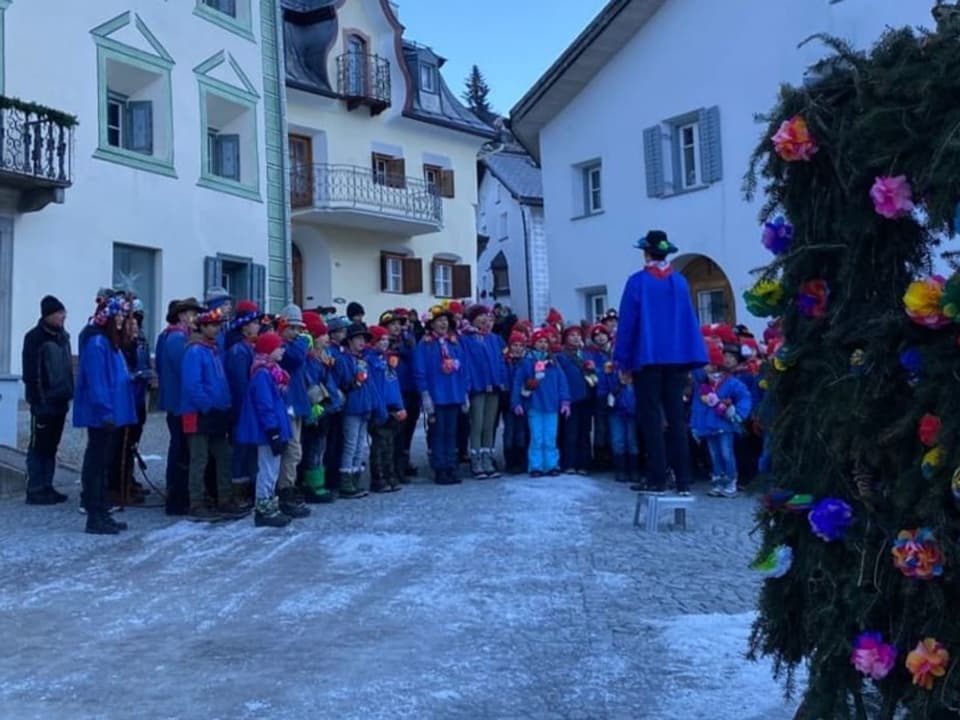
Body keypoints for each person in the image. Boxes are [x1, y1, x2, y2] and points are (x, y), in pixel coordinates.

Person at [614, 230, 707, 494]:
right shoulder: (680, 282)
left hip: (648, 357)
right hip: (676, 358)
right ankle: (684, 480)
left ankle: (657, 477)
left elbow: (628, 324)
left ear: (646, 253)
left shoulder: (637, 282)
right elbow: (688, 320)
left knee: (651, 419)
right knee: (677, 419)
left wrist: (623, 360)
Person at [73, 296, 136, 534]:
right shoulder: (98, 343)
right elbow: (97, 382)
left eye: (123, 315)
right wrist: (106, 412)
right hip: (102, 414)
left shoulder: (109, 343)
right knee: (96, 463)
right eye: (118, 315)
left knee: (102, 462)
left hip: (110, 412)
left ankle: (101, 510)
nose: (121, 320)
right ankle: (94, 514)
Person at [181, 307, 242, 520]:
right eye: (213, 325)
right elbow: (192, 384)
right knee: (199, 458)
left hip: (215, 412)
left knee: (224, 456)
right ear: (202, 326)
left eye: (218, 325)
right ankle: (196, 502)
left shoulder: (212, 349)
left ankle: (224, 498)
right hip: (199, 413)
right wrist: (208, 406)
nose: (217, 329)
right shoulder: (195, 350)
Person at [234, 332, 292, 527]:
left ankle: (270, 505)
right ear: (269, 349)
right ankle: (264, 508)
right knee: (267, 469)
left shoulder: (272, 372)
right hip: (267, 431)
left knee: (272, 468)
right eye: (279, 347)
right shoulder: (262, 375)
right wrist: (273, 430)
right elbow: (265, 405)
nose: (283, 350)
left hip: (272, 428)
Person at [21, 295, 74, 505]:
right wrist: (37, 399)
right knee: (38, 446)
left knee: (52, 446)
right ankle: (35, 488)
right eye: (60, 312)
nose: (63, 316)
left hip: (60, 401)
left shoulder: (64, 337)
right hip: (43, 402)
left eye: (63, 312)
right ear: (49, 315)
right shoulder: (35, 338)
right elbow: (31, 372)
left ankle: (47, 486)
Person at [156, 297, 203, 515]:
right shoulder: (176, 338)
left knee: (182, 448)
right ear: (182, 315)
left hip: (178, 401)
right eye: (192, 313)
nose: (196, 317)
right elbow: (186, 368)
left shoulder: (174, 336)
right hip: (178, 403)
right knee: (180, 450)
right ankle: (176, 498)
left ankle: (178, 495)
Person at [415, 306, 469, 485]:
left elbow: (463, 369)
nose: (443, 323)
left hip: (453, 394)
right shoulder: (425, 345)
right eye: (439, 320)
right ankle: (440, 468)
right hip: (436, 396)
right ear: (431, 324)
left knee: (451, 433)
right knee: (438, 432)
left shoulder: (454, 342)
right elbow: (420, 370)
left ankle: (451, 466)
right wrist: (425, 394)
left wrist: (464, 393)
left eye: (445, 320)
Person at [691, 342, 752, 498]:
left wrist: (738, 413)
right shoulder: (703, 383)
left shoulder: (731, 382)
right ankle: (718, 482)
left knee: (726, 453)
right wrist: (695, 424)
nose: (709, 368)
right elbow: (698, 403)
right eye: (707, 365)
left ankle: (731, 482)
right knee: (714, 454)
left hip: (725, 424)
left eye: (711, 364)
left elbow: (745, 397)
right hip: (709, 424)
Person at [511, 329, 570, 477]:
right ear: (534, 344)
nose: (543, 345)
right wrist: (516, 402)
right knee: (537, 437)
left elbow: (562, 382)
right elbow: (518, 382)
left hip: (552, 406)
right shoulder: (527, 362)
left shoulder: (554, 363)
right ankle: (535, 465)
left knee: (550, 437)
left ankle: (551, 465)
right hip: (535, 405)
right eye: (539, 342)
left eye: (545, 342)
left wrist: (565, 401)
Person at [274, 304, 312, 518]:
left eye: (299, 329)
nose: (297, 333)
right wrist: (302, 342)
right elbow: (296, 358)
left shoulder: (292, 344)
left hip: (295, 402)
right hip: (286, 403)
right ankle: (285, 491)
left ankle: (288, 487)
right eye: (293, 328)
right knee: (292, 450)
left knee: (295, 450)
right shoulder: (283, 346)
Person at [225, 301, 264, 509]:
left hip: (250, 410)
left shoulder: (249, 347)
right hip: (242, 410)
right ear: (244, 325)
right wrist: (245, 411)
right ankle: (237, 491)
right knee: (240, 450)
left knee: (249, 450)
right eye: (255, 322)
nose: (258, 326)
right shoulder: (239, 351)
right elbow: (240, 386)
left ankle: (248, 489)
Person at [299, 311, 340, 503]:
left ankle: (318, 482)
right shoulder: (309, 360)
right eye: (323, 335)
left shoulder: (323, 357)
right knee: (314, 448)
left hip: (326, 407)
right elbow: (311, 383)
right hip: (316, 408)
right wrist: (319, 403)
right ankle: (313, 485)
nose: (327, 338)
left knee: (320, 447)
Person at [461, 304, 506, 479]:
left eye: (486, 316)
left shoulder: (494, 338)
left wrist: (501, 380)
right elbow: (465, 364)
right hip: (477, 387)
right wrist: (468, 386)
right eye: (479, 317)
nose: (484, 320)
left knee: (490, 425)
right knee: (477, 424)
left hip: (493, 387)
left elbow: (501, 360)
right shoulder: (466, 339)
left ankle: (488, 457)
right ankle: (476, 459)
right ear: (472, 319)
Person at [335, 322, 378, 497]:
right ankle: (346, 483)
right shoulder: (344, 359)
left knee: (360, 445)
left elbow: (369, 385)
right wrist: (353, 381)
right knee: (350, 444)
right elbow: (343, 382)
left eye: (364, 339)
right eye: (358, 338)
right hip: (352, 407)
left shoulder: (362, 360)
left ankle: (355, 479)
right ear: (350, 341)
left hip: (363, 407)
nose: (362, 342)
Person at [365, 325, 405, 492]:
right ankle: (378, 478)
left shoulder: (388, 360)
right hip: (380, 408)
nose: (384, 342)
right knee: (379, 445)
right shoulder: (371, 361)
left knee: (390, 444)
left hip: (393, 407)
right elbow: (374, 388)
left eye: (386, 340)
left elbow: (394, 384)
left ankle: (390, 474)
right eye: (381, 339)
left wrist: (400, 405)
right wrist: (379, 409)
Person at [383, 309, 420, 479]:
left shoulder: (407, 340)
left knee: (409, 429)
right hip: (396, 393)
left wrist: (408, 345)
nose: (396, 327)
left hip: (412, 389)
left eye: (398, 324)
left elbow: (415, 359)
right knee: (397, 432)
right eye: (392, 324)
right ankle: (394, 467)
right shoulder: (384, 345)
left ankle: (405, 461)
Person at [556, 326, 596, 475]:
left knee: (585, 432)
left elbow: (594, 376)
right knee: (571, 432)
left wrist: (593, 369)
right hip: (570, 400)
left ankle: (584, 463)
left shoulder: (585, 355)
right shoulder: (561, 357)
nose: (575, 338)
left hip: (586, 398)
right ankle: (569, 463)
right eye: (572, 335)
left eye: (578, 335)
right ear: (565, 338)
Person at [501, 331, 530, 474]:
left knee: (522, 432)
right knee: (509, 431)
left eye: (520, 345)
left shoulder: (526, 362)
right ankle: (510, 460)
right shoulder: (506, 362)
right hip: (508, 402)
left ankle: (522, 460)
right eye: (515, 345)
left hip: (523, 401)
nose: (517, 348)